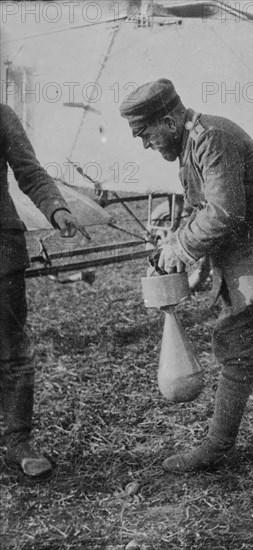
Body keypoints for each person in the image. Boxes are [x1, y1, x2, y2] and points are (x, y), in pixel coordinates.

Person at [119, 79, 253, 533]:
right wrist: (179, 245)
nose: (149, 145)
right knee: (234, 355)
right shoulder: (190, 147)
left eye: (149, 135)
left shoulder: (213, 138)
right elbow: (201, 211)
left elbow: (225, 211)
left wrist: (181, 249)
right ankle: (218, 445)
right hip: (245, 269)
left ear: (169, 121)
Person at [0, 103, 90, 477]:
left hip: (1, 250)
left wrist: (57, 209)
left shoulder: (2, 116)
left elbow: (30, 172)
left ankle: (18, 444)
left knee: (13, 351)